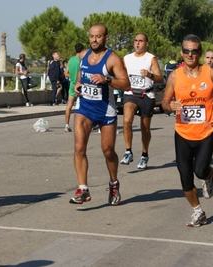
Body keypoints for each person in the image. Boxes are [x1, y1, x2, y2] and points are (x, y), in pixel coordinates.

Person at [161, 34, 213, 227]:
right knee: (185, 176)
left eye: (194, 51)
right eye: (186, 51)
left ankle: (208, 175)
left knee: (199, 170)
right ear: (181, 53)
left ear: (200, 52)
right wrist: (169, 106)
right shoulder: (174, 76)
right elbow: (164, 102)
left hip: (206, 131)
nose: (190, 54)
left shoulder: (210, 74)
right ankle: (198, 211)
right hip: (182, 133)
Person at [69, 24, 130, 205]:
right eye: (91, 36)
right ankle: (83, 189)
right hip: (84, 108)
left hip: (105, 111)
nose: (94, 40)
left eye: (98, 37)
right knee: (79, 147)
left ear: (106, 38)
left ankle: (113, 183)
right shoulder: (83, 55)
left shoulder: (113, 59)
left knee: (108, 150)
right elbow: (81, 74)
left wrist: (107, 80)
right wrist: (79, 84)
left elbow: (126, 84)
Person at [121, 33, 164, 169]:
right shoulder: (127, 58)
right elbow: (120, 74)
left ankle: (144, 154)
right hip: (131, 93)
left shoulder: (150, 58)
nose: (137, 43)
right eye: (136, 40)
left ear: (146, 43)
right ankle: (128, 151)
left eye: (141, 41)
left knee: (145, 128)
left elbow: (160, 79)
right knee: (127, 121)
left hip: (146, 94)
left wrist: (149, 75)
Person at [64, 43, 84, 133]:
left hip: (72, 84)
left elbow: (66, 73)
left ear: (75, 50)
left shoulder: (71, 60)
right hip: (81, 85)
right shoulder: (82, 59)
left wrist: (72, 77)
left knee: (69, 105)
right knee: (84, 106)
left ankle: (66, 125)